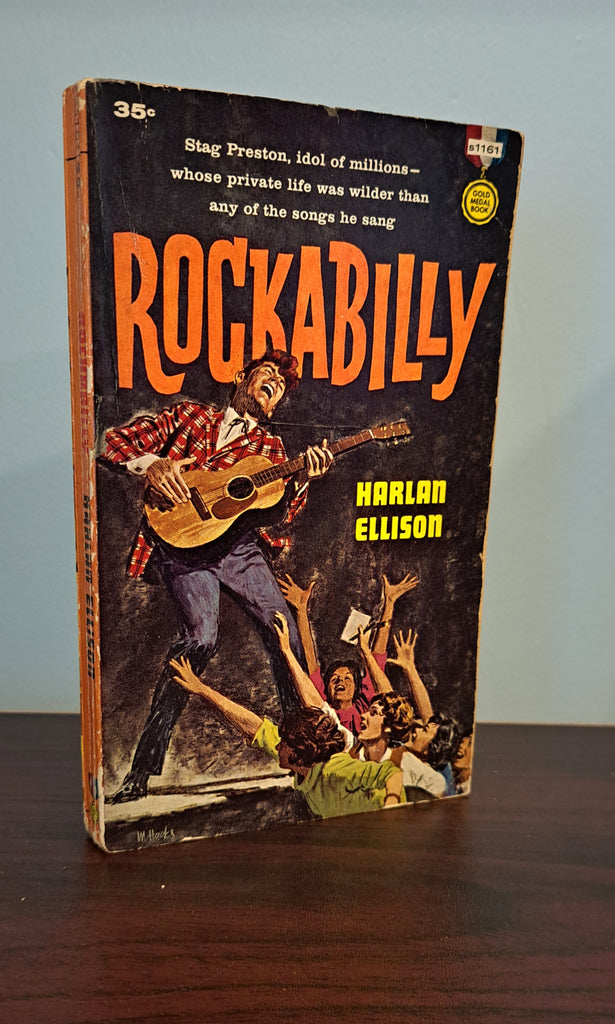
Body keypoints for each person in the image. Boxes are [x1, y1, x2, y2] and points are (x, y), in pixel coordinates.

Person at [102, 350, 333, 802]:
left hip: (239, 550)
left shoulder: (272, 449)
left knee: (282, 631)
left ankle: (304, 755)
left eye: (282, 387)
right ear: (241, 377)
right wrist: (151, 464)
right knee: (200, 639)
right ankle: (141, 770)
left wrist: (304, 478)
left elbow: (282, 514)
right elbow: (113, 442)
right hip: (184, 548)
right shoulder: (189, 417)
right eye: (268, 374)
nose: (275, 384)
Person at [169, 649, 405, 819]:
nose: (277, 746)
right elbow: (254, 726)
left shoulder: (334, 769)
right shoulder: (304, 764)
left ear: (299, 752)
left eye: (284, 744)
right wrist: (203, 690)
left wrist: (391, 807)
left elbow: (391, 773)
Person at [277, 571, 419, 736]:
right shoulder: (323, 705)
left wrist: (389, 602)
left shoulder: (366, 708)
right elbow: (310, 660)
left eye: (347, 678)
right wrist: (301, 611)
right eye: (334, 679)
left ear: (357, 688)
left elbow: (377, 660)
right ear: (327, 689)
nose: (340, 682)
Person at [358, 626, 461, 796]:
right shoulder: (405, 749)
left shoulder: (435, 779)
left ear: (430, 751)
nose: (417, 728)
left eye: (424, 730)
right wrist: (408, 668)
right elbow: (391, 704)